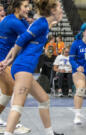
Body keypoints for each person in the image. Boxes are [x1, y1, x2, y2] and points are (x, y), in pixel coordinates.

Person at [0, 0, 63, 135]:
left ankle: (49, 132)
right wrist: (7, 60)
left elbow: (25, 39)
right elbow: (21, 39)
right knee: (17, 106)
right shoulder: (41, 23)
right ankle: (9, 132)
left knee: (44, 99)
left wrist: (7, 59)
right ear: (52, 10)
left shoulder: (44, 24)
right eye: (59, 7)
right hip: (23, 67)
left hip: (24, 67)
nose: (61, 10)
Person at [0, 0, 31, 134]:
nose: (28, 8)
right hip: (2, 61)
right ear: (17, 8)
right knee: (18, 89)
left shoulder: (17, 20)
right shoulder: (13, 22)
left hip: (6, 60)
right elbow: (30, 38)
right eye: (25, 6)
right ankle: (16, 125)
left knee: (7, 93)